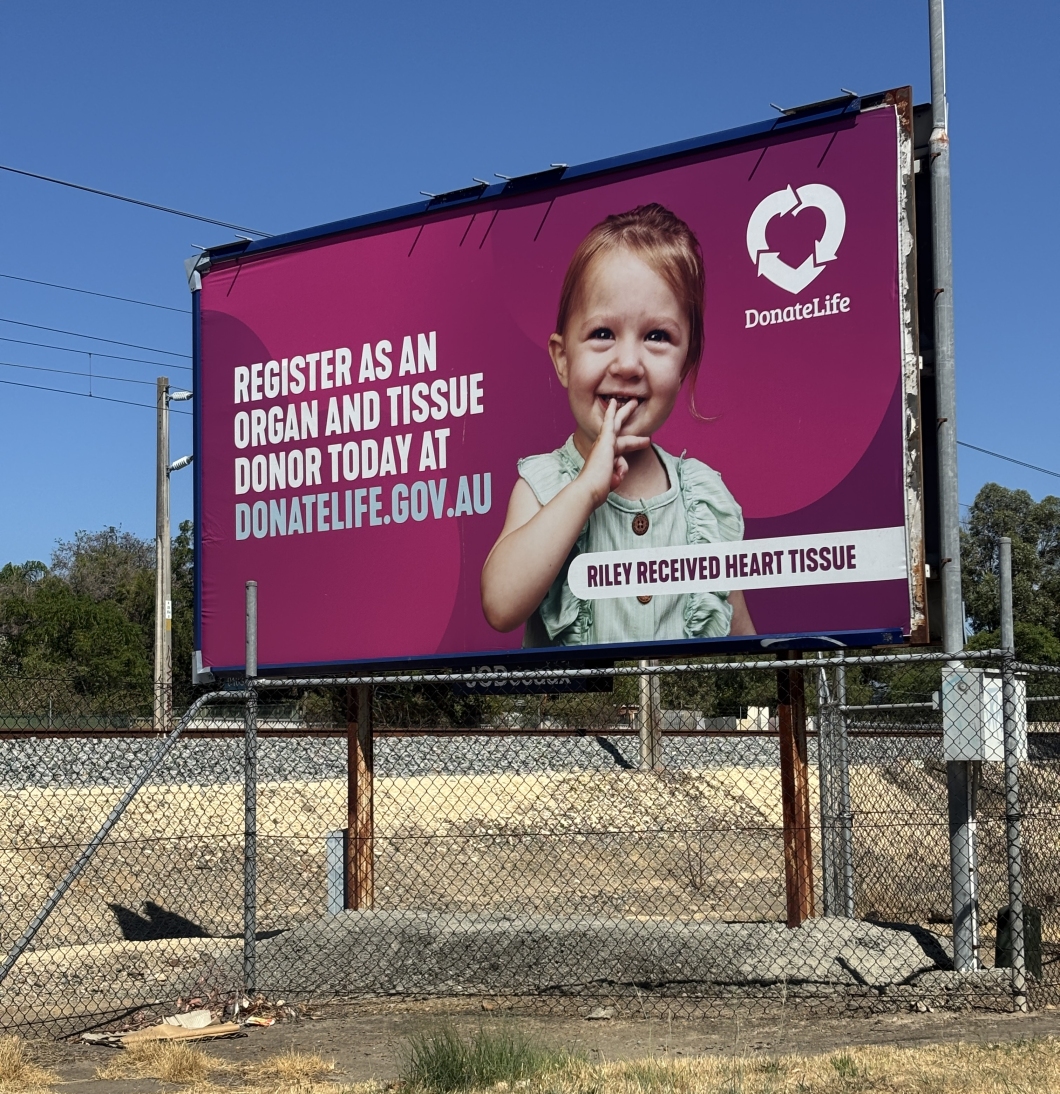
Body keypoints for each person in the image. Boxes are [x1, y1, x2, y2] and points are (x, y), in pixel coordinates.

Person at [481, 203, 754, 647]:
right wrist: (587, 489)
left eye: (657, 337)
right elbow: (500, 604)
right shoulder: (545, 484)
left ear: (686, 363)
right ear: (563, 359)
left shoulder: (705, 498)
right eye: (603, 334)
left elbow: (738, 633)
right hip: (584, 718)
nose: (628, 364)